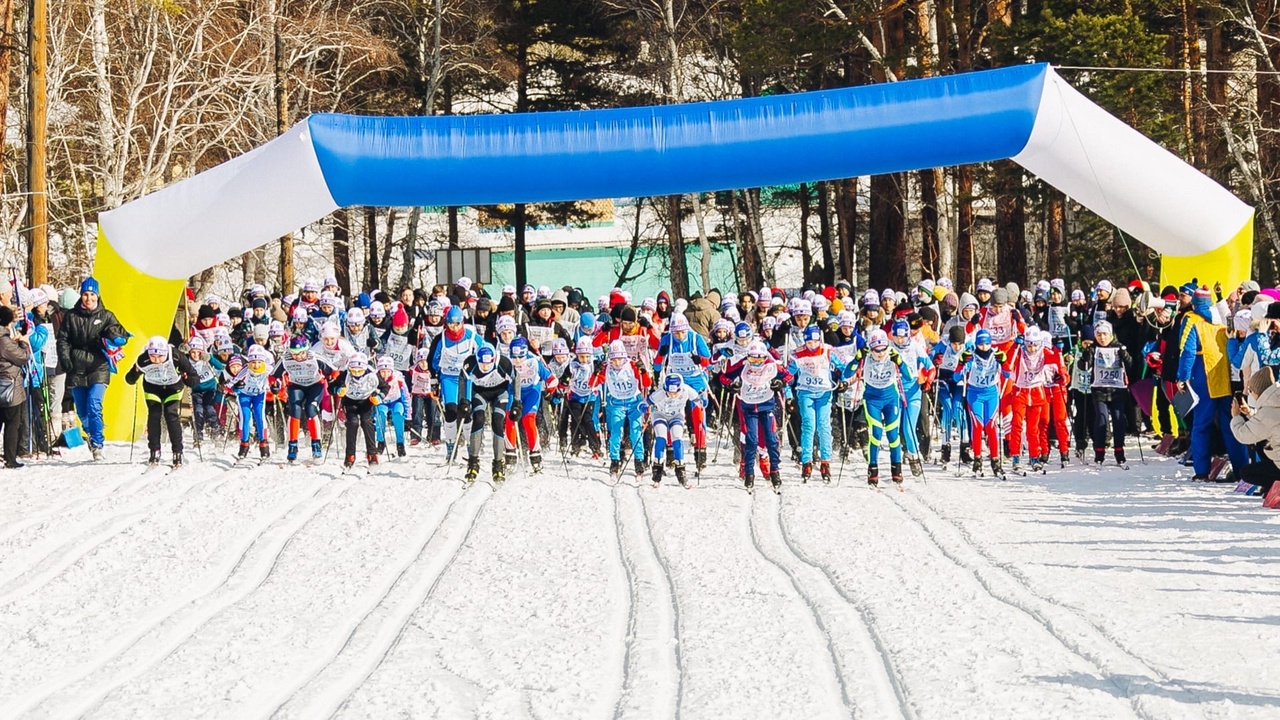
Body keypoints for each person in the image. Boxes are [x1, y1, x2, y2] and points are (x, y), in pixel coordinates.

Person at [57, 276, 128, 460]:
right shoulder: (71, 316)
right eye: (85, 294)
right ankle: (90, 432)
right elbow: (63, 339)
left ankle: (97, 444)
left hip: (99, 366)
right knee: (82, 412)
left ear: (98, 296)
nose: (89, 298)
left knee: (94, 404)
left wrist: (115, 335)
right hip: (77, 366)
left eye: (92, 294)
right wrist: (65, 358)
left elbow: (119, 332)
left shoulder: (106, 315)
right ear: (81, 296)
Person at [125, 336, 197, 467]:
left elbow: (194, 378)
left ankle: (177, 451)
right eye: (153, 356)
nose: (156, 360)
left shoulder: (176, 356)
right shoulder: (143, 359)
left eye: (160, 357)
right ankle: (154, 450)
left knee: (171, 415)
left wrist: (187, 378)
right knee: (154, 415)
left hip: (173, 388)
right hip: (152, 388)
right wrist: (135, 372)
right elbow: (129, 379)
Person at [1229, 366, 1280, 496]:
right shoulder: (1274, 403)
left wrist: (1236, 416)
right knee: (1262, 445)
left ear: (1257, 392)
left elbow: (1243, 435)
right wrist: (1250, 413)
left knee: (1247, 473)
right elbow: (1269, 423)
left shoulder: (1266, 413)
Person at [0, 306, 33, 467]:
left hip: (4, 382)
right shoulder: (3, 340)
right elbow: (22, 357)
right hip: (9, 384)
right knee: (12, 422)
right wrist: (24, 343)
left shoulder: (5, 340)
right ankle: (10, 458)